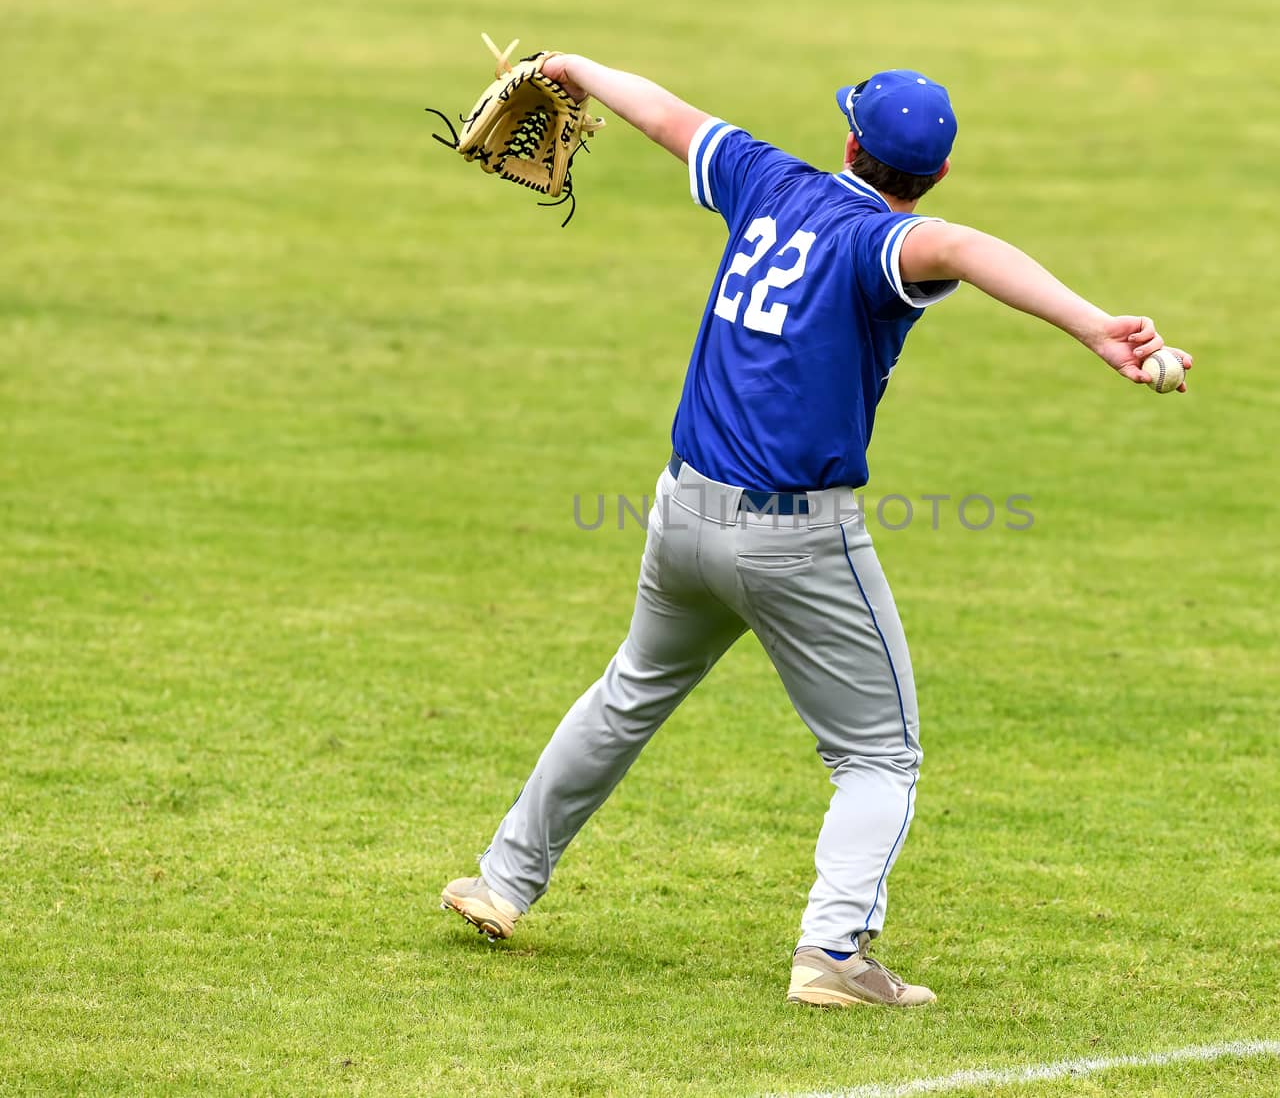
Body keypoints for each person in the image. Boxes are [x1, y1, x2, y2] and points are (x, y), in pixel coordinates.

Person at [442, 54, 1192, 1008]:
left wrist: (569, 66)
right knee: (879, 756)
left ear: (848, 142)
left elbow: (666, 112)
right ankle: (834, 955)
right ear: (938, 178)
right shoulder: (890, 245)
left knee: (629, 691)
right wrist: (1091, 325)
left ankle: (504, 881)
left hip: (683, 512)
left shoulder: (765, 178)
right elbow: (958, 249)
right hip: (794, 543)